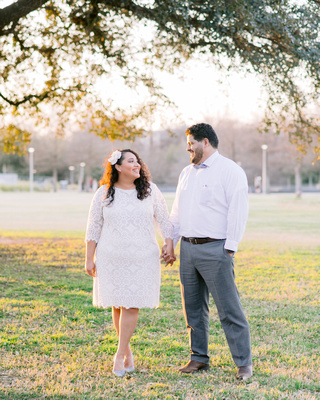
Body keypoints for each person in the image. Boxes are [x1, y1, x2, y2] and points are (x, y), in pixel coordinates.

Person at [169, 123, 252, 380]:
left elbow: (238, 211)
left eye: (191, 143)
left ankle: (243, 364)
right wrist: (170, 242)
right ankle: (198, 358)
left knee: (229, 309)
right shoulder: (186, 173)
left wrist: (229, 248)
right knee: (193, 308)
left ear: (205, 142)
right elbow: (177, 211)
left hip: (216, 249)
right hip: (188, 249)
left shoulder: (230, 171)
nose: (188, 148)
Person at [85, 149, 175, 377]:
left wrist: (169, 243)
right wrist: (89, 257)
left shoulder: (150, 191)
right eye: (131, 161)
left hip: (143, 256)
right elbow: (93, 226)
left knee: (131, 303)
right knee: (117, 304)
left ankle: (118, 355)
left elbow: (164, 220)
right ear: (117, 166)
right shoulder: (104, 193)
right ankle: (127, 352)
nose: (137, 165)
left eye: (138, 161)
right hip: (111, 256)